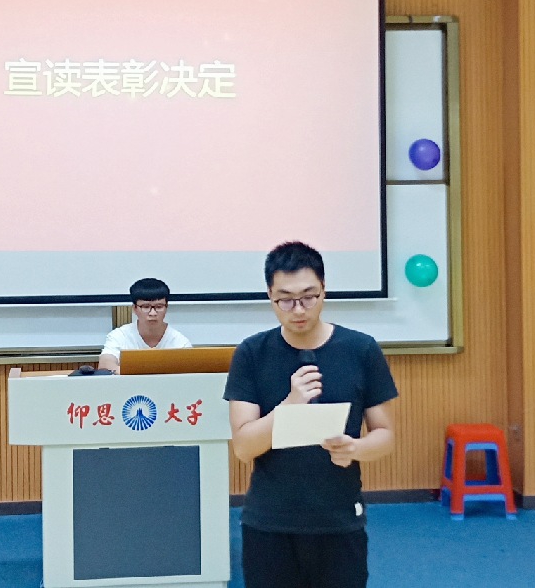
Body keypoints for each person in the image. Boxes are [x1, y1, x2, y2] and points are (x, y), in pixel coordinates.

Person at [223, 241, 399, 588]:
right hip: (269, 523)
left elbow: (385, 436)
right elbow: (243, 447)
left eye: (309, 297)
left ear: (324, 290)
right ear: (270, 296)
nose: (298, 309)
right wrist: (289, 406)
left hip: (339, 520)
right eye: (285, 299)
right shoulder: (252, 353)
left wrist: (355, 448)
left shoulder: (361, 349)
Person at [97, 277, 192, 372]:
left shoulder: (180, 342)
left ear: (166, 307)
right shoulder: (120, 336)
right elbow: (105, 364)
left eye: (159, 307)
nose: (153, 313)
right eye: (146, 307)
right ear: (134, 308)